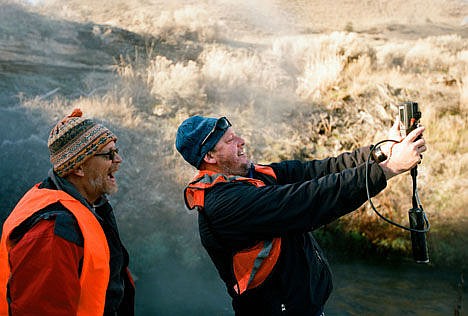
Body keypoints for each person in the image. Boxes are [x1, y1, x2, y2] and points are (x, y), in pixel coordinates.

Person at [175, 115, 426, 316]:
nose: (241, 140)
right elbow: (309, 200)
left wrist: (382, 152)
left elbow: (317, 172)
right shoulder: (225, 203)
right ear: (209, 157)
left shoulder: (251, 176)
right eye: (229, 140)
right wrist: (387, 170)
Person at [0, 109, 135, 316]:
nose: (118, 160)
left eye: (116, 151)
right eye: (109, 154)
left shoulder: (89, 204)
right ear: (79, 167)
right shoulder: (51, 233)